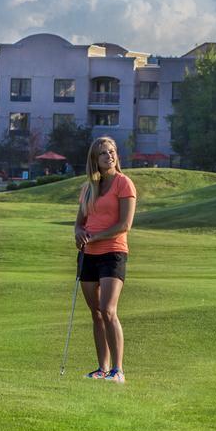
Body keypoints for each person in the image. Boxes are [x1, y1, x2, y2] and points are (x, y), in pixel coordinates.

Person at [74, 137, 136, 384]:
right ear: (95, 160)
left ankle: (118, 370)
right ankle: (102, 368)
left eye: (112, 152)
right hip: (88, 254)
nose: (109, 156)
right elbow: (79, 222)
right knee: (96, 313)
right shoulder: (88, 187)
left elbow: (125, 225)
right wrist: (78, 232)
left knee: (109, 310)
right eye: (103, 153)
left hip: (113, 252)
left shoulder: (124, 183)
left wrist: (96, 236)